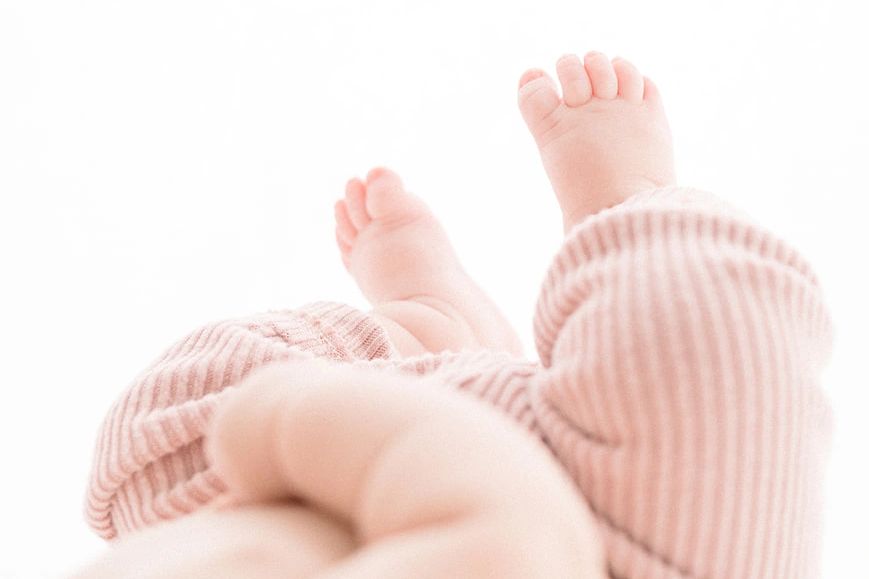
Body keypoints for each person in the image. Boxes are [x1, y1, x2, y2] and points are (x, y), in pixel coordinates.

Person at [77, 51, 835, 578]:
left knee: (159, 442)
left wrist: (278, 419)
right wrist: (283, 419)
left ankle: (422, 337)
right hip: (626, 544)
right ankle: (627, 205)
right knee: (713, 346)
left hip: (246, 500)